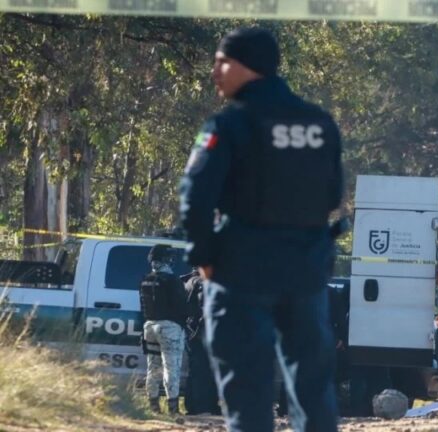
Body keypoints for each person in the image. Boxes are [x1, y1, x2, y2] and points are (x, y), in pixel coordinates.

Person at [179, 27, 343, 432]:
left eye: (222, 62)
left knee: (247, 388)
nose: (214, 72)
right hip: (306, 269)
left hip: (242, 271)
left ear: (246, 66)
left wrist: (204, 259)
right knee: (312, 387)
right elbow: (333, 195)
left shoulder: (228, 124)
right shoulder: (320, 123)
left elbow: (195, 197)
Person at [139, 244, 187, 415]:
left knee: (152, 367)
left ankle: (153, 407)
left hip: (149, 326)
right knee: (171, 368)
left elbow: (143, 307)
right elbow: (182, 306)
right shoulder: (173, 280)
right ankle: (173, 409)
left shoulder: (145, 280)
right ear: (165, 259)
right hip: (169, 328)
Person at [183, 267, 221, 415]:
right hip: (202, 332)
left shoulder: (188, 281)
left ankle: (194, 406)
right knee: (204, 371)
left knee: (196, 371)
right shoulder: (201, 282)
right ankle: (204, 407)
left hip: (193, 331)